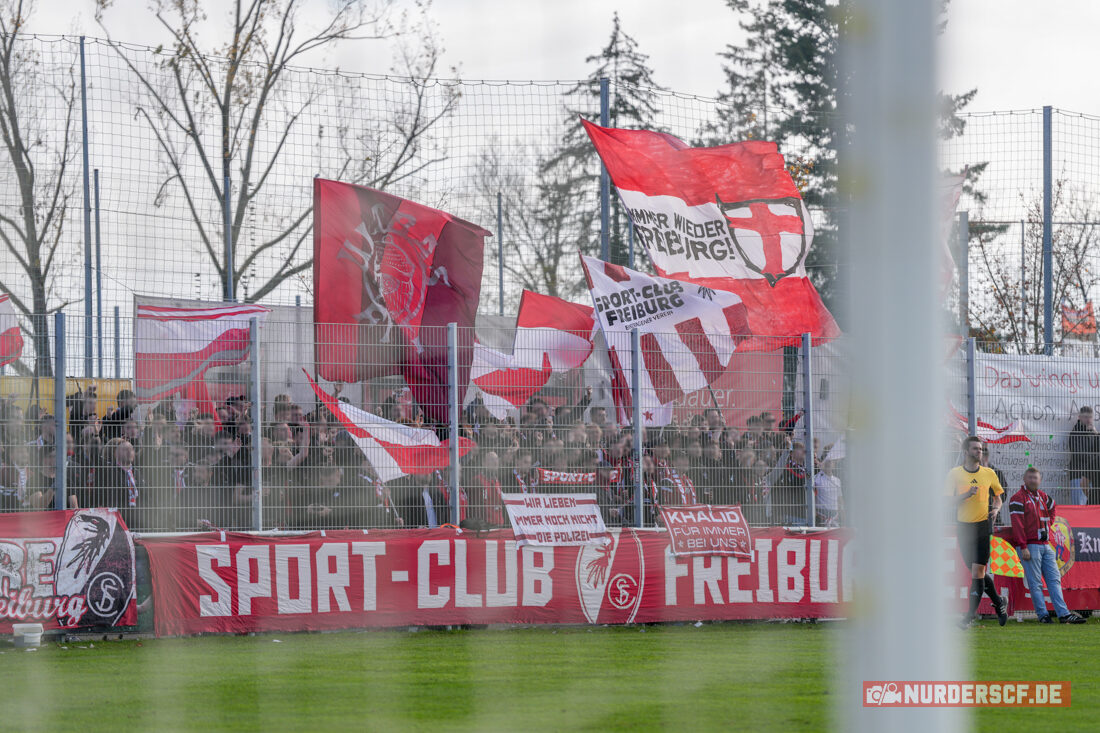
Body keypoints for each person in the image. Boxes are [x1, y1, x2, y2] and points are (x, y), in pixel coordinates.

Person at [1008, 467, 1085, 624]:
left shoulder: (1043, 497)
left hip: (1045, 545)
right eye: (1030, 477)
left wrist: (1048, 525)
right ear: (1024, 479)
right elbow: (1017, 525)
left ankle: (1063, 614)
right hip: (1030, 546)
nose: (1033, 480)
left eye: (1035, 478)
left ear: (1040, 480)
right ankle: (1043, 615)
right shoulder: (1018, 498)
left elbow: (1053, 507)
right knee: (1035, 583)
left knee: (1054, 579)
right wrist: (1023, 546)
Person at [946, 435, 1008, 628]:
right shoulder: (954, 474)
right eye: (975, 449)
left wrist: (996, 509)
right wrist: (966, 495)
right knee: (977, 573)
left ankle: (968, 617)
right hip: (964, 527)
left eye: (980, 449)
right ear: (966, 452)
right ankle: (999, 603)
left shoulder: (989, 473)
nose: (979, 452)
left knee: (978, 571)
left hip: (983, 526)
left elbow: (999, 496)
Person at [1066, 406, 1099, 506]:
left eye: (1090, 417)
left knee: (1092, 508)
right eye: (1085, 417)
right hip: (1078, 474)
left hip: (1093, 476)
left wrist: (1095, 434)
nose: (1088, 420)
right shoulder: (1075, 433)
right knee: (1079, 508)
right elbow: (1078, 453)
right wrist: (1094, 460)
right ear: (1079, 417)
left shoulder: (1093, 433)